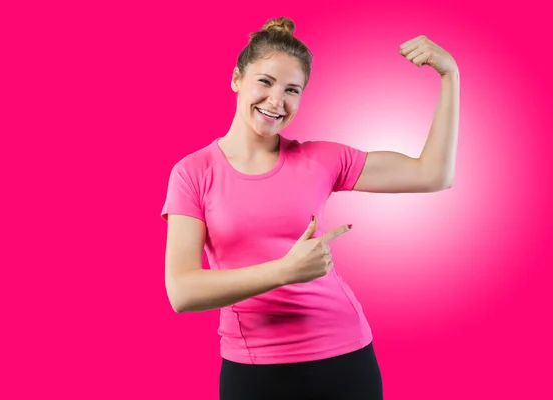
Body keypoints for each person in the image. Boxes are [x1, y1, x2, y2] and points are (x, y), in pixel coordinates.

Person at [161, 16, 459, 400]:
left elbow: (432, 174)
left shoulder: (321, 159)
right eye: (265, 82)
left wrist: (450, 76)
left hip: (345, 358)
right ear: (237, 79)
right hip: (254, 369)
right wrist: (285, 270)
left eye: (292, 90)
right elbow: (181, 291)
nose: (276, 101)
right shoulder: (192, 172)